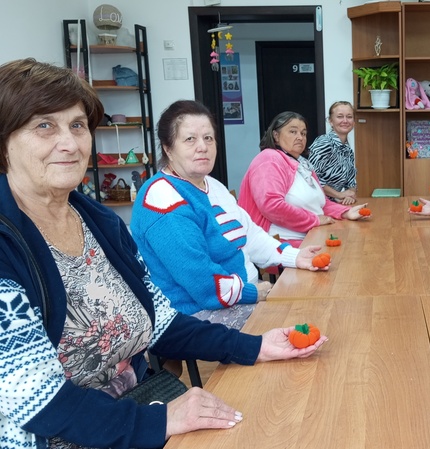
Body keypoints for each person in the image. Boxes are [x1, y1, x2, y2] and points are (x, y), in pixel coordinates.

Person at [0, 58, 326, 448]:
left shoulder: (99, 223)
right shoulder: (6, 247)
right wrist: (161, 418)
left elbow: (162, 322)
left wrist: (255, 346)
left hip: (136, 409)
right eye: (44, 126)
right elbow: (38, 402)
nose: (69, 144)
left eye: (77, 125)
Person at [130, 100, 326, 330]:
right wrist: (253, 292)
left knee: (318, 308)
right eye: (190, 139)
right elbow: (203, 284)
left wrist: (295, 257)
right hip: (194, 316)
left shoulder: (212, 185)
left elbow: (250, 235)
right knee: (306, 324)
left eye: (208, 138)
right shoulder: (162, 198)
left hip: (240, 296)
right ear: (168, 148)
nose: (202, 147)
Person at [239, 111, 368, 247]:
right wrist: (314, 220)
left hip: (311, 235)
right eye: (293, 132)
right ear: (276, 135)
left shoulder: (302, 164)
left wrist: (346, 212)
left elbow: (322, 204)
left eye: (303, 133)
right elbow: (272, 206)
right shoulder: (268, 159)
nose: (300, 137)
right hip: (279, 243)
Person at [308, 101, 358, 205]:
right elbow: (311, 177)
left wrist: (350, 194)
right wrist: (339, 194)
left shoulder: (347, 150)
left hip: (334, 204)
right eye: (340, 116)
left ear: (353, 122)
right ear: (331, 121)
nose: (345, 121)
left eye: (349, 117)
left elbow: (351, 181)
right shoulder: (323, 143)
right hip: (316, 204)